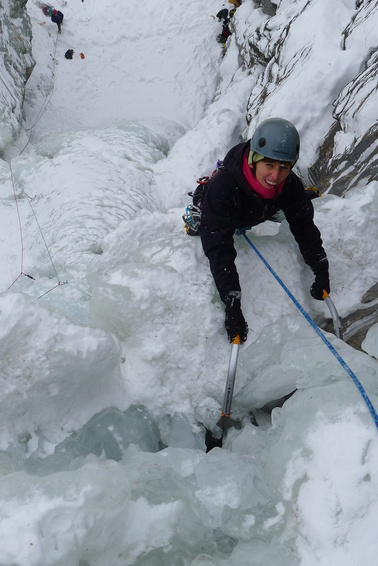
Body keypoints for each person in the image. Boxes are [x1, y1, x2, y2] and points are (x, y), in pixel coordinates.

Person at [199, 117, 330, 344]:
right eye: (269, 165)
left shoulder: (287, 185)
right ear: (253, 159)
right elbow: (218, 245)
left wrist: (320, 266)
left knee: (301, 201)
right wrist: (232, 302)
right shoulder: (224, 188)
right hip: (230, 212)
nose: (275, 176)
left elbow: (303, 225)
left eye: (284, 167)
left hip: (261, 210)